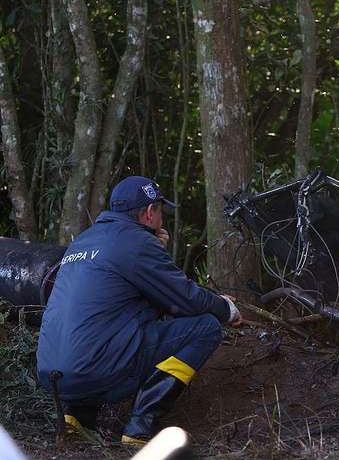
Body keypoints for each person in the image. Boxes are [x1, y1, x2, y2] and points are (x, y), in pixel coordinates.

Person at [37, 176, 242, 445]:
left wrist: (155, 251)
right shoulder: (135, 242)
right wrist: (226, 309)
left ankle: (74, 415)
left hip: (51, 375)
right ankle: (139, 427)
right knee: (206, 327)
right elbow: (183, 298)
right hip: (96, 368)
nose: (161, 219)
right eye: (159, 211)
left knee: (95, 335)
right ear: (148, 213)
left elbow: (125, 301)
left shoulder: (84, 241)